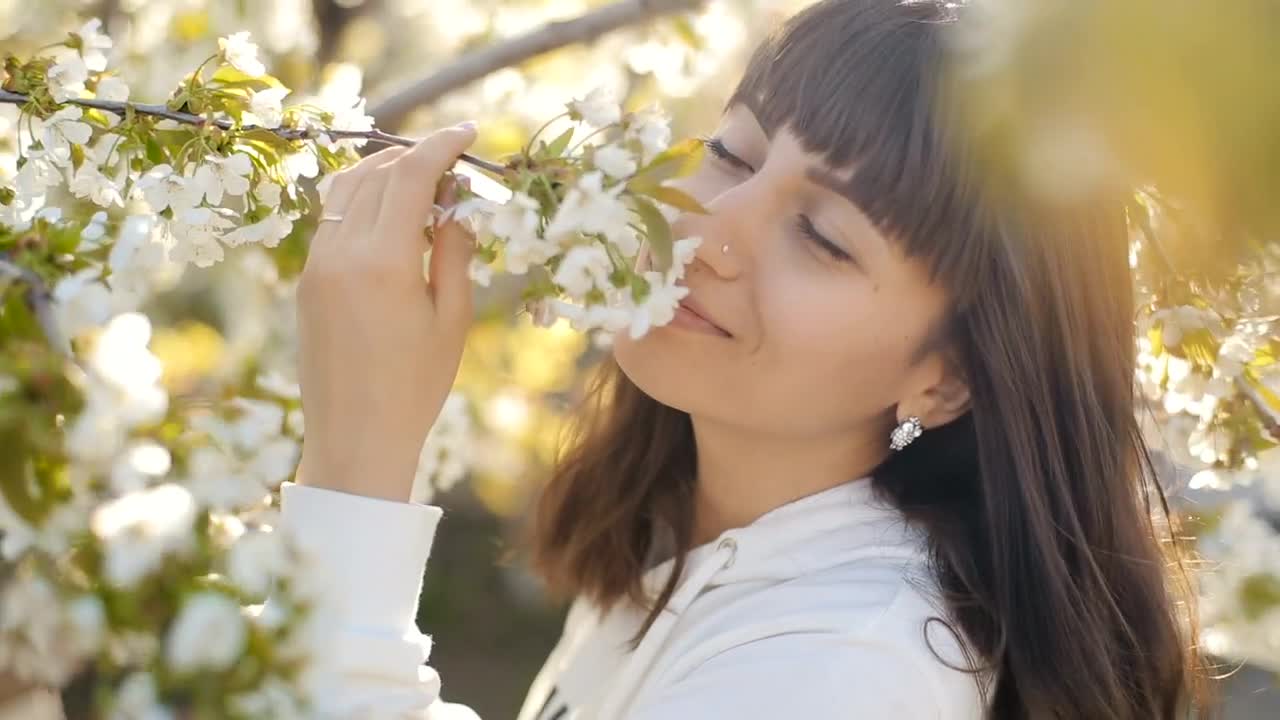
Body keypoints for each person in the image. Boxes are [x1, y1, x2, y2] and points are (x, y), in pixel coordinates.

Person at [284, 0, 1209, 717]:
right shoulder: (688, 534)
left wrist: (358, 466)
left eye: (821, 236)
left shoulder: (846, 669)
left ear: (950, 376)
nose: (709, 229)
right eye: (732, 154)